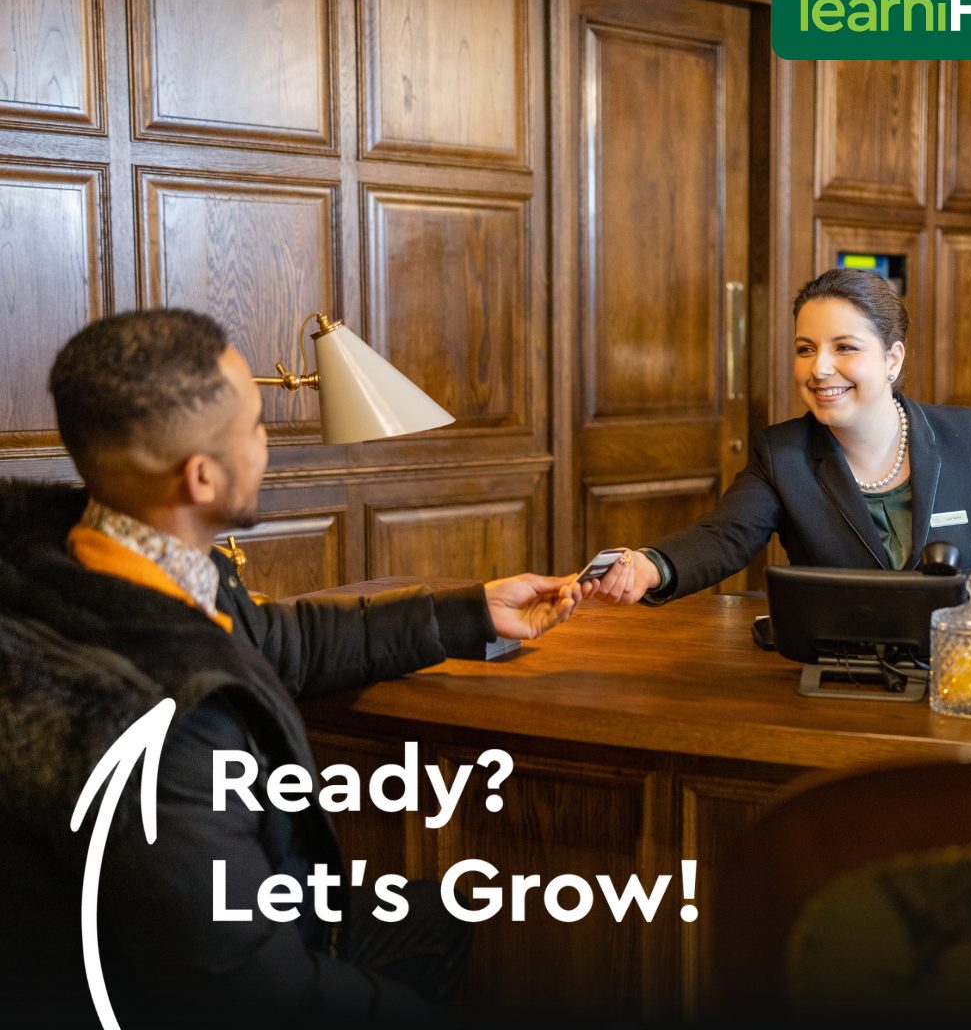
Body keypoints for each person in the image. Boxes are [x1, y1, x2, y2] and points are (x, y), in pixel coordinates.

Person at [0, 309, 583, 1028]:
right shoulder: (167, 728)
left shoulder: (70, 565)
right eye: (255, 424)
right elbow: (252, 995)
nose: (268, 438)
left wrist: (471, 613)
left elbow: (273, 639)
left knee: (437, 916)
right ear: (203, 477)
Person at [589, 267, 971, 606]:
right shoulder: (781, 454)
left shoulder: (970, 438)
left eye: (844, 347)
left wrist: (956, 602)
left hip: (960, 667)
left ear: (892, 358)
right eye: (806, 349)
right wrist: (651, 566)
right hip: (835, 676)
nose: (819, 368)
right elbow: (724, 537)